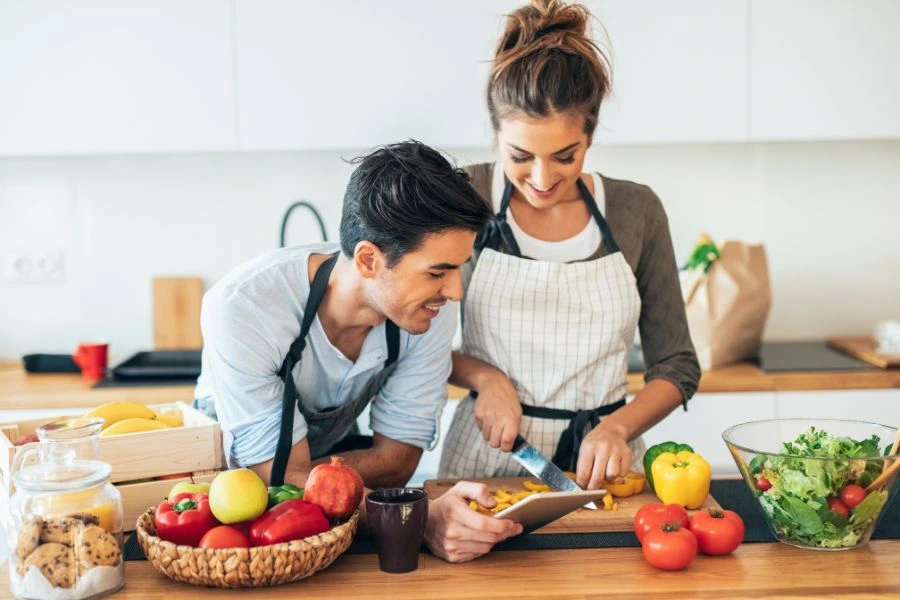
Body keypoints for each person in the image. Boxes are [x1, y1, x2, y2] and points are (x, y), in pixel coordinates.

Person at [194, 140, 522, 562]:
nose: (455, 291)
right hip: (226, 505)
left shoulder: (427, 309)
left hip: (329, 513)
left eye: (458, 268)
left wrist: (308, 474)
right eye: (437, 271)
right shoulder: (245, 308)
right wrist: (412, 515)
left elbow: (398, 460)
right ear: (368, 260)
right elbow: (274, 482)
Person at [439, 0, 701, 493]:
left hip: (604, 468)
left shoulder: (635, 211)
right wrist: (486, 379)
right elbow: (410, 341)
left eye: (565, 156)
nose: (541, 178)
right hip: (485, 460)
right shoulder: (464, 197)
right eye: (520, 155)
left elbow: (677, 365)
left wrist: (618, 426)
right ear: (495, 134)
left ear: (591, 132)